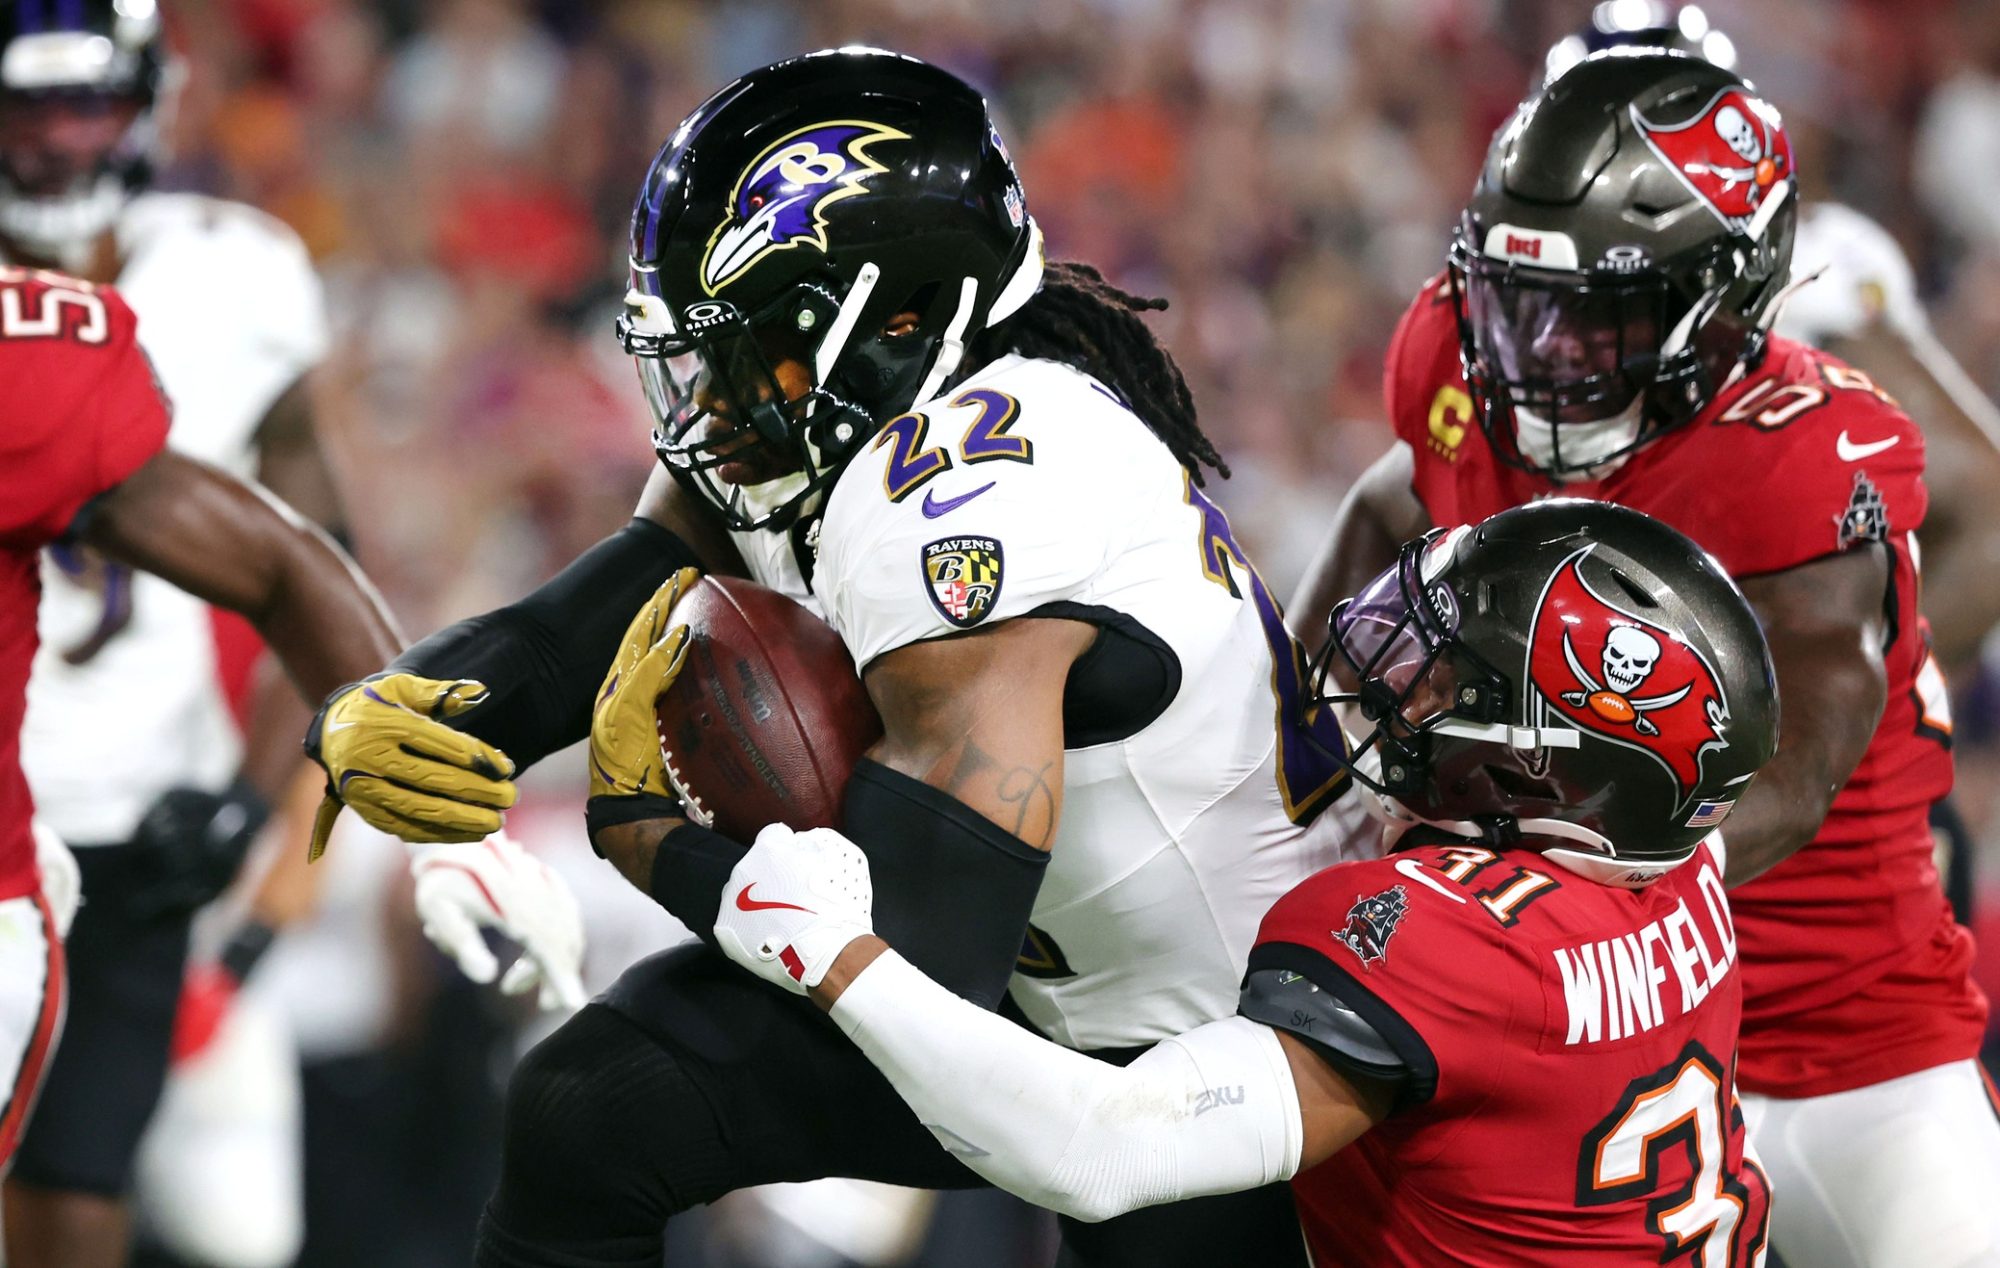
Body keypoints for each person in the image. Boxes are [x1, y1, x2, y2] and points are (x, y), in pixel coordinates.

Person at [302, 46, 1357, 1268]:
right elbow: (577, 623)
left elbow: (912, 963)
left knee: (605, 1102)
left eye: (753, 345)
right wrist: (398, 707)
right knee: (589, 1106)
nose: (713, 400)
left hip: (1202, 1056)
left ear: (898, 320)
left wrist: (655, 839)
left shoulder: (973, 496)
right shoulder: (850, 430)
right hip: (1058, 986)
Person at [1290, 49, 2000, 1268]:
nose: (1532, 351)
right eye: (1515, 298)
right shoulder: (1460, 358)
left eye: (1590, 311)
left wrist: (1615, 891)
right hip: (1555, 1045)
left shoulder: (1796, 445)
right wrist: (1296, 736)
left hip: (1831, 1034)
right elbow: (1392, 493)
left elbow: (1818, 707)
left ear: (1727, 297)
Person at [712, 499, 1782, 1266]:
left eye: (1452, 679)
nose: (1403, 681)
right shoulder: (1684, 862)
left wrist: (832, 954)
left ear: (1535, 760)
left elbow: (1099, 1148)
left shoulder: (1442, 941)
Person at [0, 2, 351, 1260]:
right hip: (9, 817)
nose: (50, 144)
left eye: (79, 104)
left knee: (101, 1202)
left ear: (147, 97)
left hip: (143, 824)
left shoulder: (232, 275)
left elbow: (315, 569)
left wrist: (258, 806)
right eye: (22, 107)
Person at [1546, 0, 2000, 952]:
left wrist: (1862, 709)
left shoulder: (1803, 264)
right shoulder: (1537, 284)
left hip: (1789, 808)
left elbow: (1988, 506)